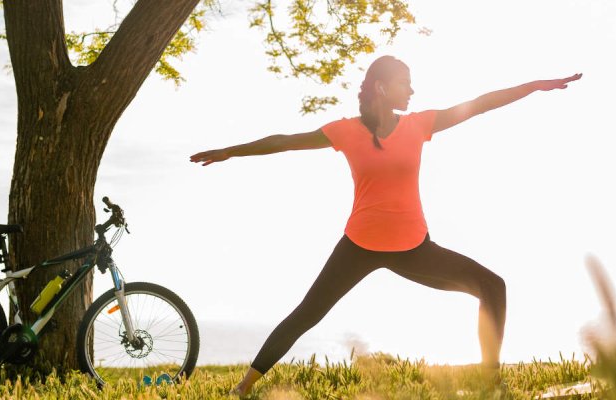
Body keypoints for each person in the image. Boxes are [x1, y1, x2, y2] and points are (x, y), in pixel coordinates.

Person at [190, 55, 581, 396]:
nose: (411, 90)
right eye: (404, 82)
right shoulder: (345, 131)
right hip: (359, 245)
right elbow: (285, 141)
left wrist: (533, 86)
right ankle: (244, 386)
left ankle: (491, 383)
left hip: (413, 247)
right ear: (381, 86)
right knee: (307, 313)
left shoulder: (419, 125)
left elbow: (478, 105)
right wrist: (231, 151)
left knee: (493, 286)